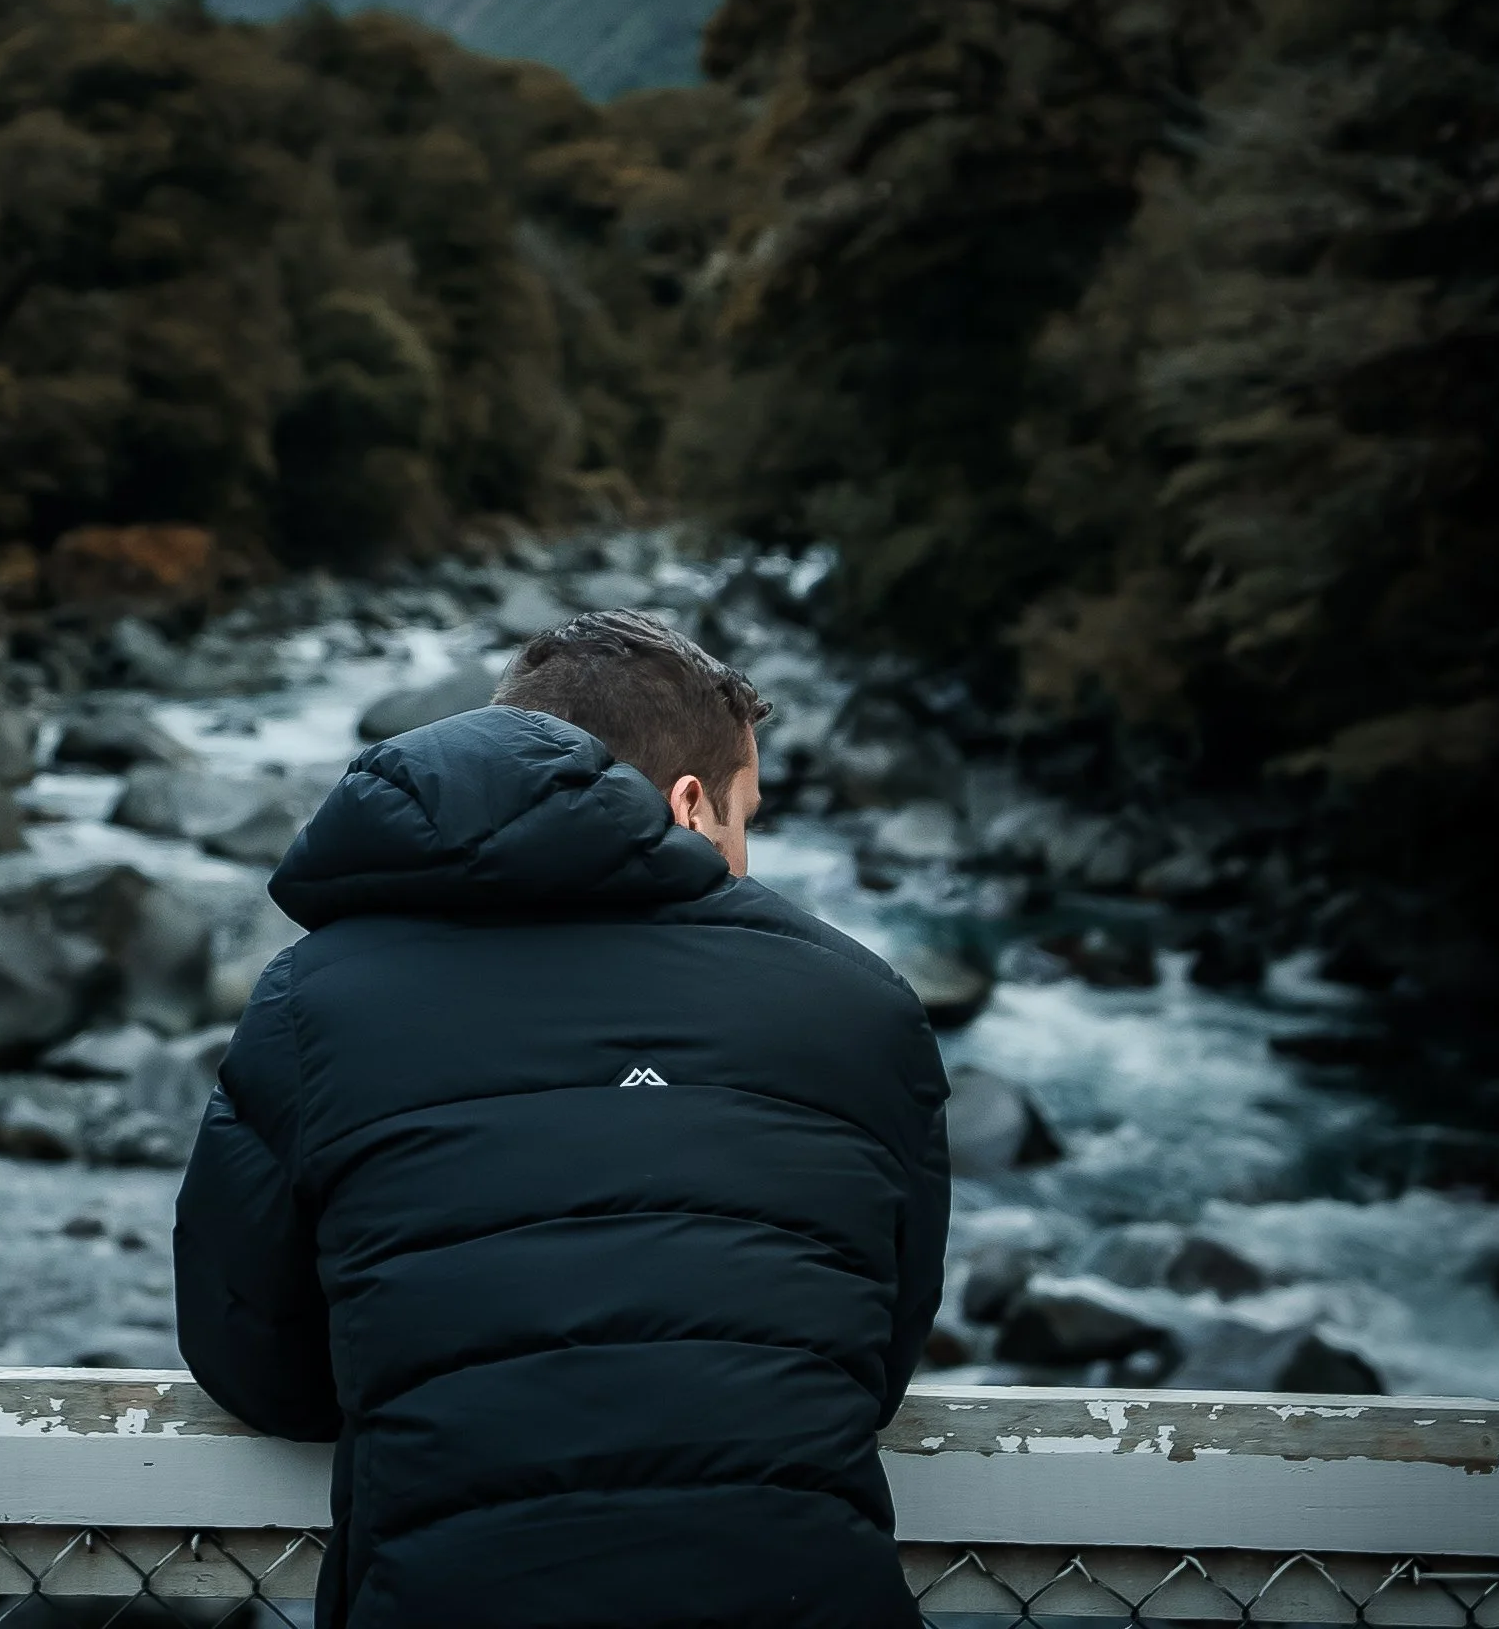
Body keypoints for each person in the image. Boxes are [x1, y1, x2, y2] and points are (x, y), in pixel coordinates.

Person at [174, 606, 951, 1629]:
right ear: (689, 805)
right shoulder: (859, 1003)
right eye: (745, 816)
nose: (747, 858)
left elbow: (252, 1361)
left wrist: (441, 1376)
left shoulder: (308, 1000)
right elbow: (873, 1355)